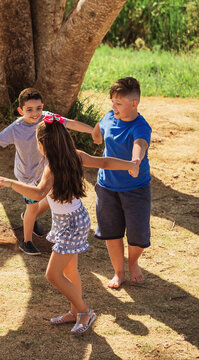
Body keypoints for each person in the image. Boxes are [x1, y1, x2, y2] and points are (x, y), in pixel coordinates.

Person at [0, 116, 139, 334]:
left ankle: (85, 311)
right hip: (71, 218)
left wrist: (10, 183)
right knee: (70, 270)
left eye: (37, 141)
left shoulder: (52, 168)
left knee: (52, 275)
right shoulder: (76, 156)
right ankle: (75, 312)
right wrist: (130, 165)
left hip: (71, 223)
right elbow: (105, 162)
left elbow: (37, 194)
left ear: (43, 143)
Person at [0, 88, 96, 255]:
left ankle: (29, 215)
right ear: (21, 111)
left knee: (49, 199)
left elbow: (71, 123)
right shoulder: (15, 128)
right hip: (27, 175)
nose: (35, 113)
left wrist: (94, 131)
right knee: (33, 205)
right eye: (29, 110)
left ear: (42, 106)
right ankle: (26, 241)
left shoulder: (48, 118)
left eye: (38, 108)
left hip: (45, 171)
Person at [91, 77, 152, 289]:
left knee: (137, 235)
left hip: (135, 187)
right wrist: (96, 136)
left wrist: (135, 161)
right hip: (107, 186)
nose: (113, 107)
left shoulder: (141, 126)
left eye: (118, 104)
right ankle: (119, 272)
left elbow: (140, 144)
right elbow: (99, 128)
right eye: (112, 102)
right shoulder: (109, 116)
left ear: (134, 104)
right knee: (111, 231)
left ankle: (133, 262)